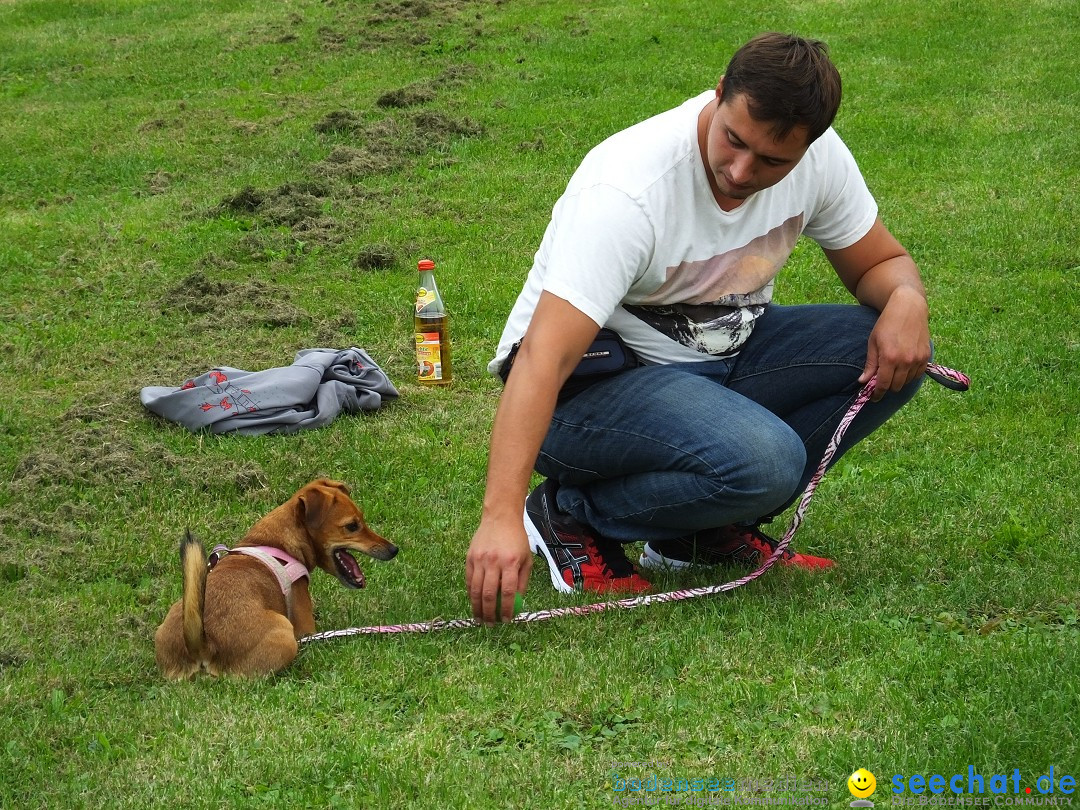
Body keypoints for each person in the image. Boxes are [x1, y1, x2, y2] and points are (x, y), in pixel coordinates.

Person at [465, 32, 932, 625]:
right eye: (733, 139)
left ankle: (698, 531)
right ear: (718, 95)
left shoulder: (821, 162)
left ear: (807, 148)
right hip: (583, 392)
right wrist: (498, 514)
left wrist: (907, 299)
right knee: (766, 462)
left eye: (771, 161)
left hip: (716, 359)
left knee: (892, 355)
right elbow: (541, 361)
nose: (740, 171)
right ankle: (569, 513)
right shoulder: (629, 190)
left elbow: (880, 265)